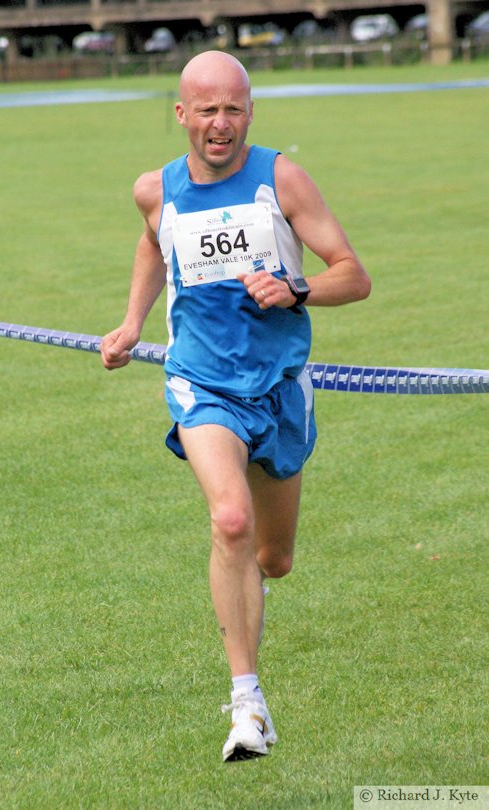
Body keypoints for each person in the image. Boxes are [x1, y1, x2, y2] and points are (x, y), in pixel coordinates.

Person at [101, 50, 371, 762]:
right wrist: (132, 322)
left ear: (250, 113)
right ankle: (247, 705)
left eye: (234, 110)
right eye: (207, 110)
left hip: (279, 386)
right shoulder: (154, 189)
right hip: (202, 384)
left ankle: (250, 595)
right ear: (182, 114)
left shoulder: (282, 178)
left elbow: (353, 275)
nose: (220, 125)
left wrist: (297, 288)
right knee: (229, 520)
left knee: (273, 559)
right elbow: (152, 247)